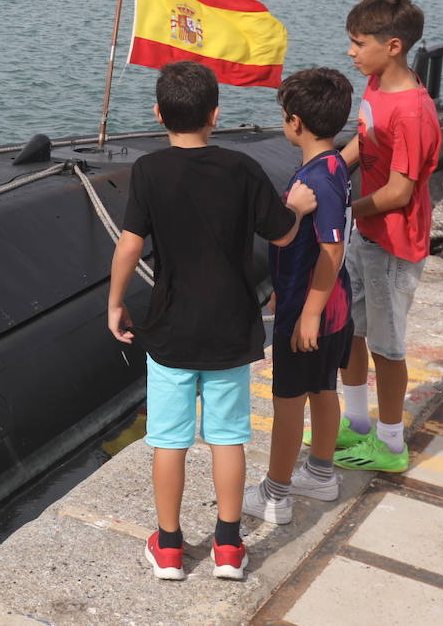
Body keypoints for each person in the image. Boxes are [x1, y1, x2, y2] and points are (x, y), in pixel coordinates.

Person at [107, 61, 316, 582]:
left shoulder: (149, 171)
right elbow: (284, 234)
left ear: (158, 114)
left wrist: (114, 303)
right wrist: (299, 207)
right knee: (227, 438)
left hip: (172, 330)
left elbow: (130, 245)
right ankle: (227, 547)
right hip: (229, 329)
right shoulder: (241, 169)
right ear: (215, 115)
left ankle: (171, 548)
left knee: (169, 440)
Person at [329, 0, 441, 473]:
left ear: (393, 45)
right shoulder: (376, 83)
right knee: (351, 332)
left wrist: (344, 205)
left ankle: (391, 444)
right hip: (365, 236)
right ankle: (355, 424)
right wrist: (329, 169)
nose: (351, 53)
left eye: (358, 44)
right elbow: (362, 138)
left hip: (394, 244)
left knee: (386, 347)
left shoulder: (412, 112)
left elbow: (399, 192)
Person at [243, 67, 355, 525]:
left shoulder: (319, 179)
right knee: (323, 387)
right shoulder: (334, 165)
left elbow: (331, 246)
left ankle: (275, 495)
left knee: (288, 400)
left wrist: (307, 312)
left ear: (294, 122)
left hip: (314, 310)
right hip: (334, 305)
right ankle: (321, 473)